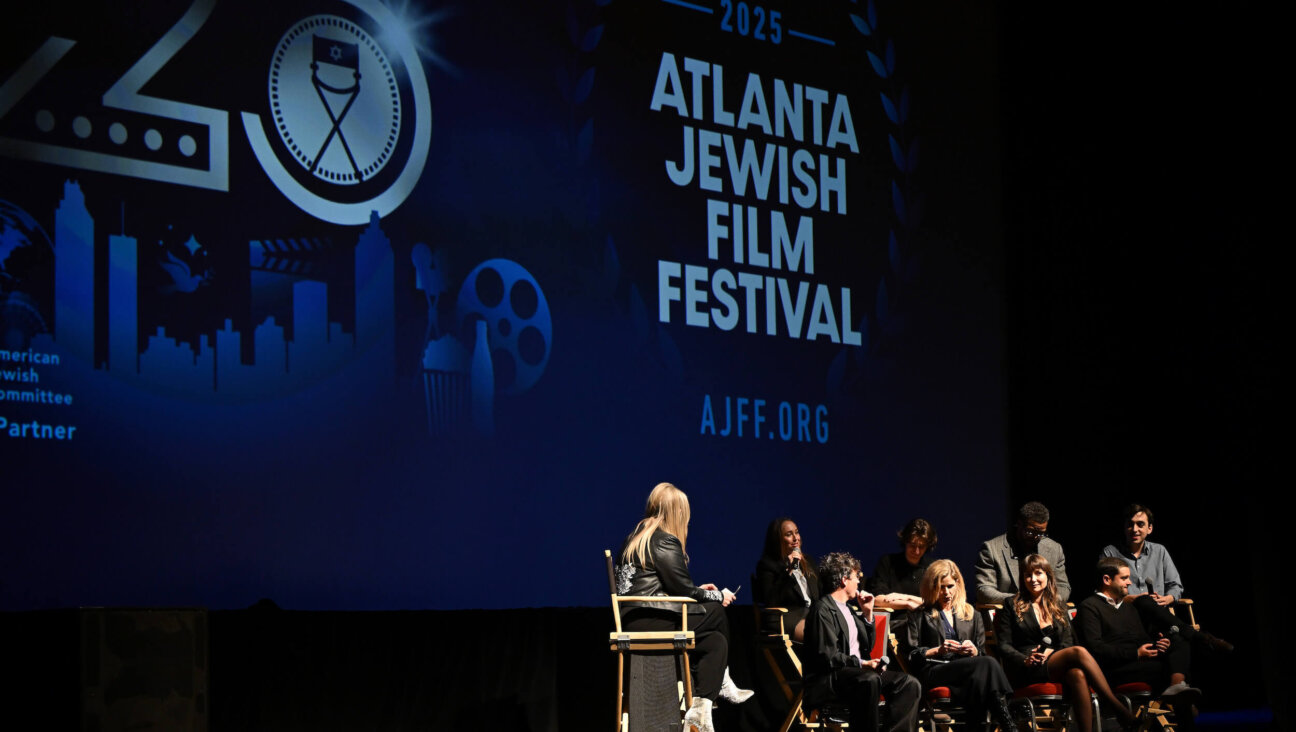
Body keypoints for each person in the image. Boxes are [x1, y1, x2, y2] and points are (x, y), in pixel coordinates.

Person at [615, 483, 753, 732]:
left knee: (715, 642)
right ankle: (721, 681)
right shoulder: (664, 540)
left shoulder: (634, 537)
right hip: (651, 619)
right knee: (717, 611)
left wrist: (700, 591)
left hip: (635, 617)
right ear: (677, 513)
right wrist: (716, 595)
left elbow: (661, 587)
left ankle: (701, 711)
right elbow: (684, 591)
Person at [995, 554, 1145, 732]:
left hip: (1053, 663)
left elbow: (1067, 642)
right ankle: (1115, 706)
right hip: (1026, 668)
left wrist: (1052, 653)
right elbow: (1003, 645)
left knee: (1077, 674)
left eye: (1038, 573)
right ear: (1022, 578)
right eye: (1028, 575)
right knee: (1079, 652)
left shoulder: (1057, 605)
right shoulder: (1011, 604)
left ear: (1048, 576)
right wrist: (1025, 659)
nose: (1033, 579)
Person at [1074, 557, 1199, 729]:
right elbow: (1095, 648)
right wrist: (1136, 653)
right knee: (1170, 669)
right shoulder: (1089, 607)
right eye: (1124, 578)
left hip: (1141, 662)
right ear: (1107, 579)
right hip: (1116, 668)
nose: (1129, 582)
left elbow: (1142, 638)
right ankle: (1179, 698)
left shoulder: (1129, 608)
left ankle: (1177, 689)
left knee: (1179, 643)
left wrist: (1157, 644)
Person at [804, 552, 921, 732]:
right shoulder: (823, 610)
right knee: (869, 680)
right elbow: (827, 657)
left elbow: (868, 646)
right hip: (832, 677)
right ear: (844, 580)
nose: (859, 581)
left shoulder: (850, 609)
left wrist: (867, 614)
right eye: (856, 577)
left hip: (859, 673)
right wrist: (862, 663)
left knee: (909, 684)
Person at [1100, 504, 1232, 654]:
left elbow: (1175, 585)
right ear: (1124, 527)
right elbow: (1104, 591)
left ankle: (1179, 678)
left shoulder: (1159, 551)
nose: (1135, 529)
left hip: (1159, 620)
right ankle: (1200, 638)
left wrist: (1167, 598)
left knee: (1179, 641)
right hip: (1127, 617)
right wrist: (1132, 598)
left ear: (1150, 528)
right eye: (1130, 524)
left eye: (1140, 524)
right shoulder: (1110, 552)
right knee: (1144, 601)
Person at [906, 559, 1018, 732]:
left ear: (958, 584)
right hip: (935, 670)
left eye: (950, 586)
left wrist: (973, 651)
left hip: (968, 673)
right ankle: (1008, 722)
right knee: (988, 663)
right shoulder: (919, 615)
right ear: (931, 587)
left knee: (980, 677)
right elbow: (911, 656)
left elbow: (979, 652)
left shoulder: (972, 614)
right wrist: (938, 650)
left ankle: (981, 726)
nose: (946, 592)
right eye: (940, 587)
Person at [975, 501, 1070, 605]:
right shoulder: (992, 549)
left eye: (1041, 533)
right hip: (1010, 614)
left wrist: (1047, 601)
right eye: (1029, 532)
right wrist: (1023, 600)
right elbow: (984, 591)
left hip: (1045, 612)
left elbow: (1063, 587)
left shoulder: (1054, 549)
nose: (1035, 537)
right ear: (1019, 524)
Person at [754, 517, 819, 641]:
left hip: (811, 614)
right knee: (819, 635)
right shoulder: (767, 566)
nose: (796, 538)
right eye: (789, 534)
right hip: (785, 616)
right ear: (777, 540)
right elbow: (771, 601)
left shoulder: (807, 561)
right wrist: (789, 570)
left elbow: (820, 592)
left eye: (797, 532)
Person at [867, 518, 934, 615]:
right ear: (905, 541)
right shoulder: (887, 562)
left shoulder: (932, 567)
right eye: (912, 545)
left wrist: (904, 597)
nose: (917, 551)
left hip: (923, 624)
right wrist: (907, 604)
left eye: (921, 546)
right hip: (895, 622)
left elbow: (936, 602)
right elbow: (877, 599)